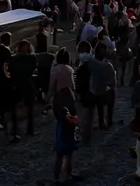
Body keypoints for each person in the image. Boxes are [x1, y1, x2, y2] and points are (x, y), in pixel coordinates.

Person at [50, 49, 81, 185]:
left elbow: (51, 87)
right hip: (69, 101)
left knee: (61, 130)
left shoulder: (55, 70)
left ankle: (56, 176)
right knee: (70, 138)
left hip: (59, 102)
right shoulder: (69, 69)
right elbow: (73, 87)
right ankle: (68, 172)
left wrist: (47, 100)